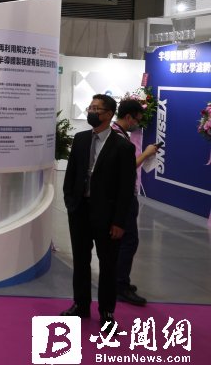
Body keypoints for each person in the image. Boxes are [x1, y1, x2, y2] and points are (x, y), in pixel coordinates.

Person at [61, 94, 136, 327]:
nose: (92, 112)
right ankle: (80, 305)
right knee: (81, 261)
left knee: (108, 265)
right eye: (90, 107)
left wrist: (120, 222)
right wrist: (70, 203)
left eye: (97, 109)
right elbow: (71, 174)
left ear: (109, 114)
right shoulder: (81, 139)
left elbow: (126, 189)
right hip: (80, 211)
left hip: (107, 216)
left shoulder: (123, 146)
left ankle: (107, 312)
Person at [111, 99, 159, 307]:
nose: (137, 124)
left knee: (123, 241)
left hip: (121, 196)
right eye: (137, 120)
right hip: (122, 197)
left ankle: (119, 281)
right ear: (128, 117)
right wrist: (146, 154)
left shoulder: (115, 135)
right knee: (129, 241)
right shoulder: (119, 139)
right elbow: (128, 166)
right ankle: (120, 285)